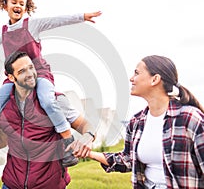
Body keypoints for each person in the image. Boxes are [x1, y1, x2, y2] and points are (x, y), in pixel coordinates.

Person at [0, 0, 101, 168]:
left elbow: (57, 20)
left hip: (39, 75)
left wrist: (82, 16)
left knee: (47, 100)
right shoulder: (2, 32)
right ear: (5, 5)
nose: (18, 6)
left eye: (22, 4)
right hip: (16, 79)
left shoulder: (32, 25)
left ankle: (67, 142)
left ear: (26, 8)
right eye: (14, 2)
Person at [0, 51, 96, 189]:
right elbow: (3, 141)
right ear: (11, 77)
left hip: (49, 185)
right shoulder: (6, 106)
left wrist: (88, 137)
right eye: (22, 71)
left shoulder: (55, 101)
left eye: (31, 67)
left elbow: (85, 125)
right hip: (12, 184)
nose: (30, 73)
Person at [87, 55, 204, 188]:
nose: (131, 78)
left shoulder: (190, 119)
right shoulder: (136, 122)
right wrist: (90, 153)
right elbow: (128, 159)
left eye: (136, 73)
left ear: (155, 79)